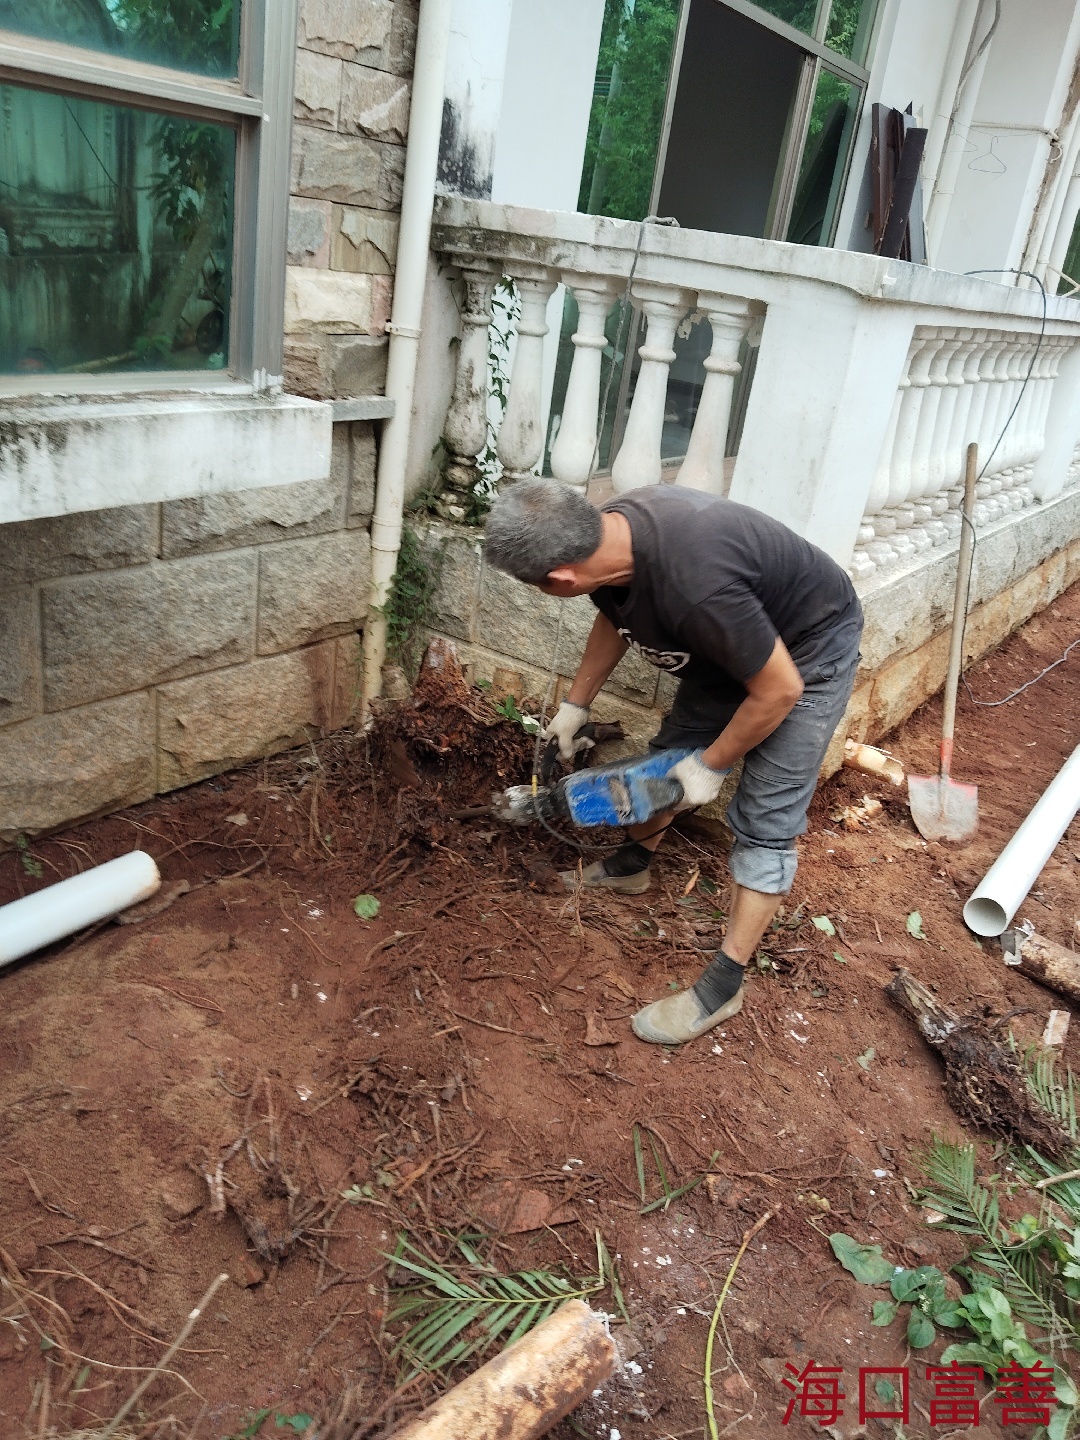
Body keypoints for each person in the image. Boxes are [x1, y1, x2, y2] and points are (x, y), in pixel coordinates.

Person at [483, 477, 863, 1046]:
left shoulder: (698, 585)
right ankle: (632, 865)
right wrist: (575, 704)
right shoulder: (606, 537)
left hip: (805, 655)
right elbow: (616, 616)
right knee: (664, 765)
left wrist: (711, 766)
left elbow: (779, 690)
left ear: (560, 579)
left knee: (766, 818)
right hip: (733, 642)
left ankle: (723, 986)